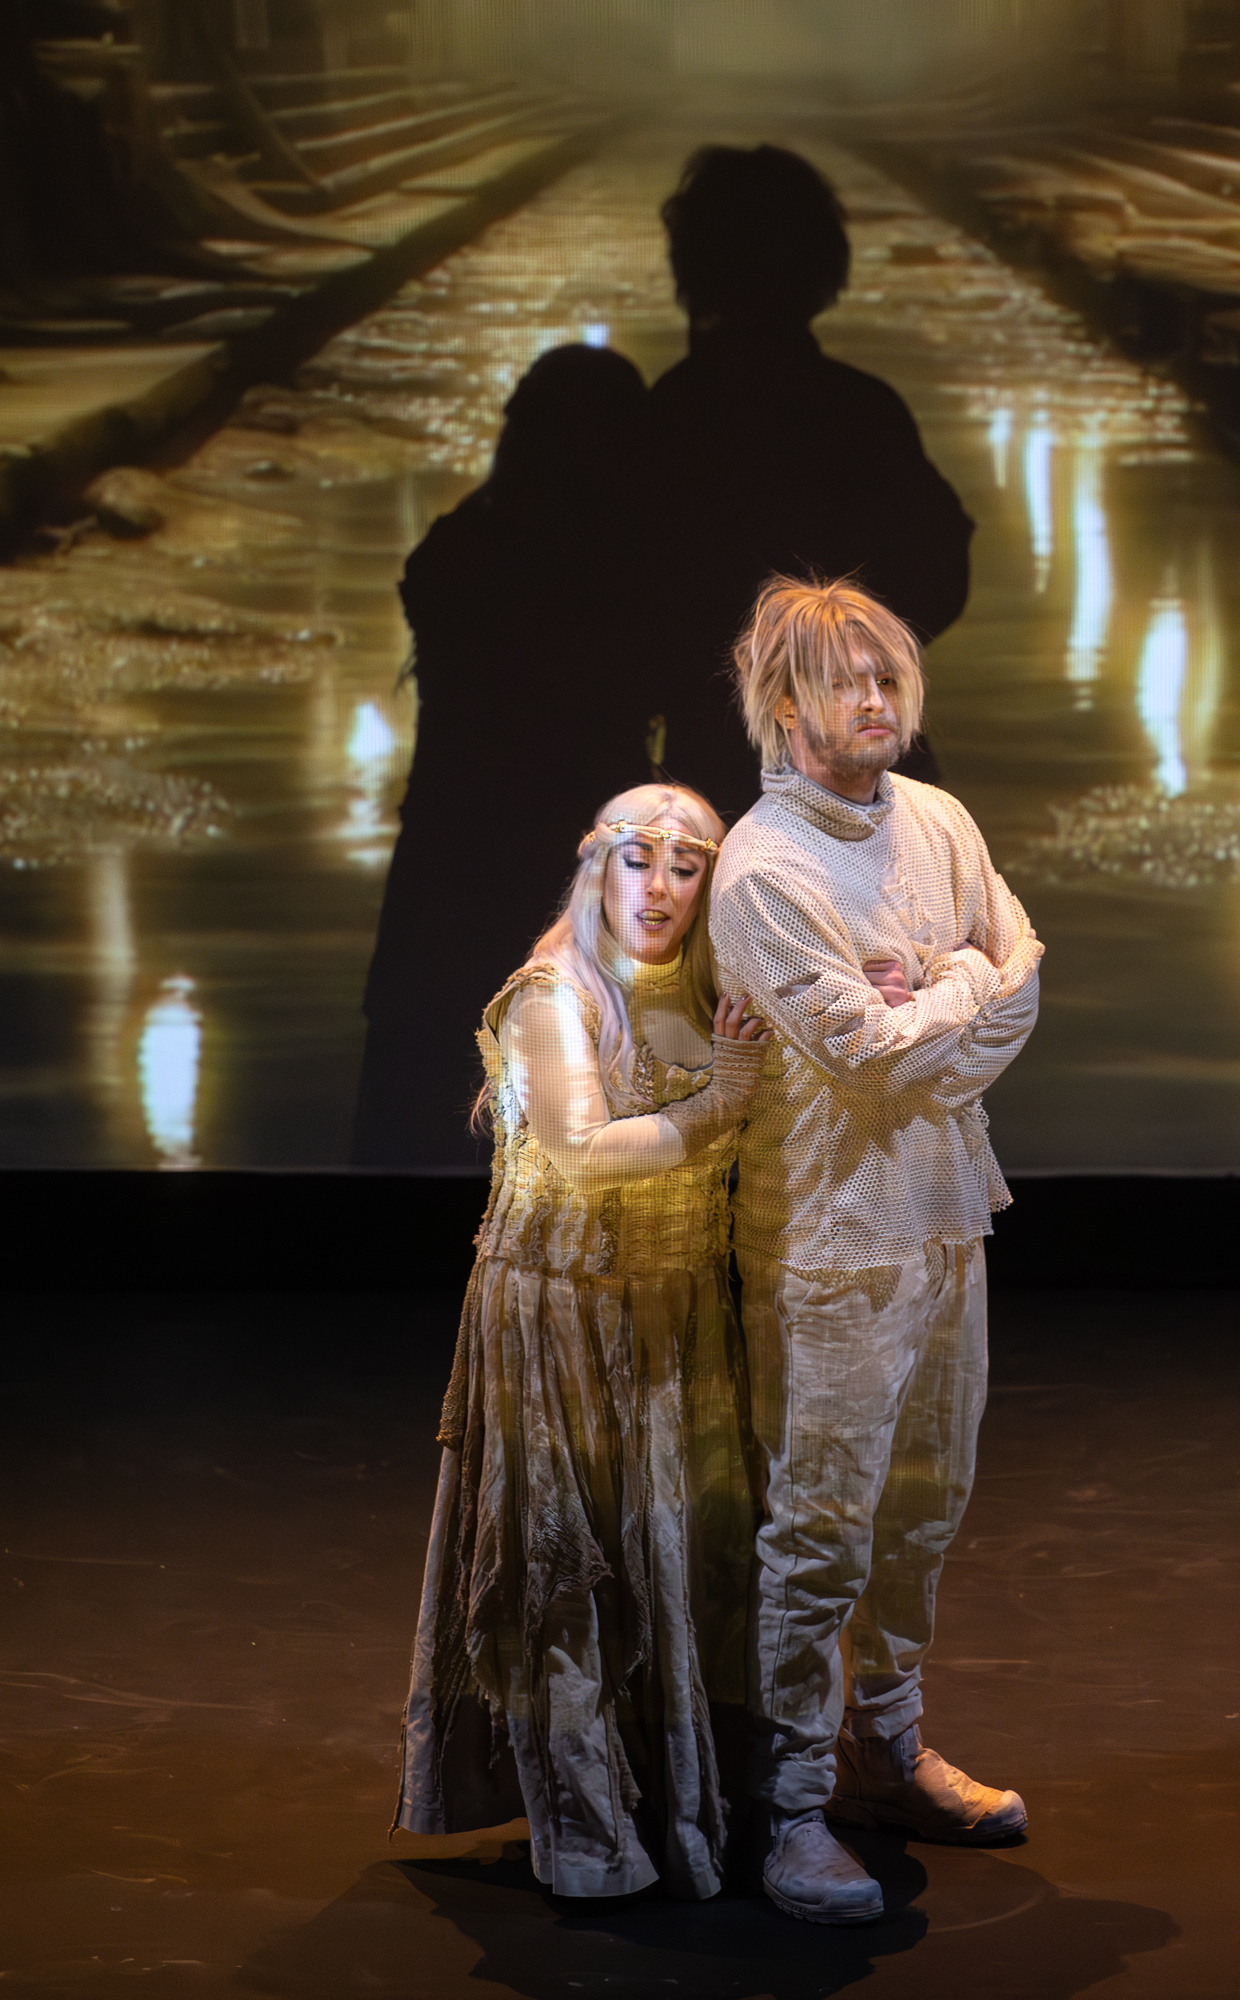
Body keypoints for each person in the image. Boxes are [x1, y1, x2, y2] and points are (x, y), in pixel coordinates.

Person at [705, 579, 1043, 1925]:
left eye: (889, 675)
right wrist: (963, 984)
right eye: (845, 680)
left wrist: (947, 986)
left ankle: (884, 1755)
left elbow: (1023, 974)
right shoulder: (763, 869)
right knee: (824, 1523)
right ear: (784, 705)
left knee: (925, 1504)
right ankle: (792, 1807)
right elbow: (872, 1057)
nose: (876, 699)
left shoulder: (942, 821)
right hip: (832, 1241)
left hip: (948, 1213)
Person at [398, 782, 772, 1902]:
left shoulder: (712, 994)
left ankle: (680, 1801)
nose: (658, 888)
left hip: (680, 1306)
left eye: (685, 867)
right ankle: (585, 1827)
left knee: (681, 1552)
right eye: (637, 861)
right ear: (597, 869)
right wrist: (721, 1104)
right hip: (561, 1308)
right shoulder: (552, 994)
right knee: (568, 1564)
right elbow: (581, 1150)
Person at [352, 344, 660, 1165]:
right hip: (573, 856)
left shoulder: (459, 550)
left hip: (449, 856)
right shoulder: (621, 571)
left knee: (424, 1094)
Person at [646, 145, 975, 823]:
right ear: (821, 269)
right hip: (866, 770)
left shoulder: (663, 419)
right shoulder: (863, 414)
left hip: (710, 767)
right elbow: (940, 577)